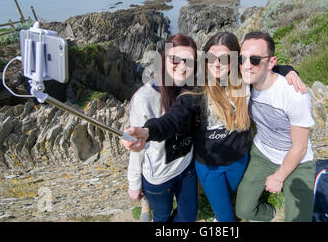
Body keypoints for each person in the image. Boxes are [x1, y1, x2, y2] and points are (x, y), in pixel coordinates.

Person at [124, 31, 306, 222]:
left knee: (231, 197)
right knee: (226, 217)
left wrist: (289, 71)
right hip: (209, 166)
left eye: (224, 58)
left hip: (239, 159)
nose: (217, 64)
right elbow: (174, 117)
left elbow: (269, 68)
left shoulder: (245, 80)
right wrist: (148, 131)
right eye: (211, 58)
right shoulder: (197, 86)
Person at [235, 31, 315, 222]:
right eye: (241, 58)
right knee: (243, 211)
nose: (246, 66)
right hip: (262, 153)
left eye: (255, 59)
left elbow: (300, 147)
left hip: (298, 161)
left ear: (271, 63)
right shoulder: (243, 84)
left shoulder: (294, 95)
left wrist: (278, 177)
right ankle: (270, 213)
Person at [125, 33, 198, 222]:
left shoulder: (192, 87)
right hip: (159, 176)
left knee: (188, 217)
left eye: (188, 61)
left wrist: (283, 70)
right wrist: (134, 183)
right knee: (162, 217)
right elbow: (137, 147)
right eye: (175, 59)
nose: (183, 67)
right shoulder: (144, 98)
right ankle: (145, 206)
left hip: (186, 166)